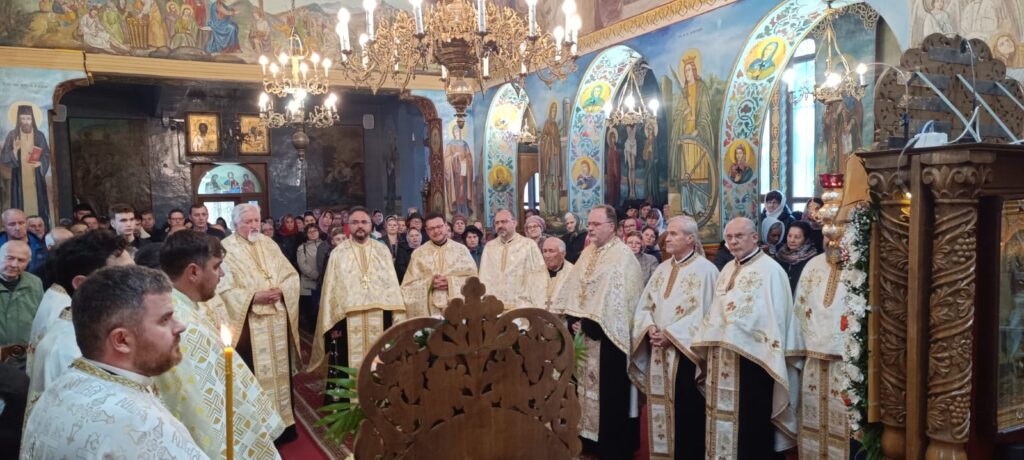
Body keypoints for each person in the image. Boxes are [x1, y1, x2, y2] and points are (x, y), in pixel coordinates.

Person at [21, 266, 208, 459]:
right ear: (122, 340)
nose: (180, 326)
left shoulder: (60, 387)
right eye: (165, 319)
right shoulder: (141, 425)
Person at [155, 231, 285, 459]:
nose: (222, 274)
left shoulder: (177, 306)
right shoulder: (182, 327)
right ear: (193, 272)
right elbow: (200, 410)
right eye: (216, 267)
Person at [692, 217, 798, 458]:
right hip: (722, 359)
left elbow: (775, 318)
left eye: (739, 236)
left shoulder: (771, 271)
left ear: (754, 237)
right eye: (729, 237)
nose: (733, 241)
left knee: (751, 426)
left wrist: (739, 334)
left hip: (754, 363)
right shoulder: (727, 269)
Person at [552, 204, 644, 459]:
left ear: (612, 227)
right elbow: (573, 291)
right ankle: (588, 440)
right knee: (584, 392)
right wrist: (574, 319)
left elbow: (621, 303)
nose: (590, 229)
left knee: (609, 396)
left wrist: (592, 325)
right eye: (589, 224)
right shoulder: (587, 253)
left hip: (610, 340)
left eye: (596, 224)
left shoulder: (623, 257)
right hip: (584, 336)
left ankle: (611, 446)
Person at [629, 216, 718, 460]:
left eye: (674, 234)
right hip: (658, 350)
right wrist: (649, 327)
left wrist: (672, 335)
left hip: (687, 356)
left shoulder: (707, 271)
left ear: (690, 239)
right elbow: (645, 305)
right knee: (662, 411)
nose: (667, 238)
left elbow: (707, 315)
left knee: (687, 414)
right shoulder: (662, 268)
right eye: (668, 233)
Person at [26, 230, 134, 419]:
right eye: (124, 275)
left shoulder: (97, 327)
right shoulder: (67, 349)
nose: (138, 283)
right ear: (82, 284)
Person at [218, 203, 301, 442]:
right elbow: (222, 289)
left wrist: (282, 290)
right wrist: (253, 297)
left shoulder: (269, 244)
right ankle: (261, 433)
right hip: (249, 325)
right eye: (248, 222)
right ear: (235, 224)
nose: (254, 225)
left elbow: (290, 275)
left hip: (277, 320)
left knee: (281, 374)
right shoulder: (225, 249)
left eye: (257, 220)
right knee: (254, 377)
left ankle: (286, 426)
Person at [307, 207, 405, 396]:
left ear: (371, 225)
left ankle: (382, 402)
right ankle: (347, 407)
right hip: (347, 321)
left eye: (364, 222)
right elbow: (331, 291)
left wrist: (395, 316)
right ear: (349, 225)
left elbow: (391, 284)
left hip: (380, 316)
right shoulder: (338, 253)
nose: (360, 226)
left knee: (381, 362)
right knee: (346, 363)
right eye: (355, 222)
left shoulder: (382, 250)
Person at [787, 234, 854, 458]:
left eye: (839, 233)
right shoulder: (812, 265)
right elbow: (800, 309)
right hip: (812, 363)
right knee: (811, 425)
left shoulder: (861, 263)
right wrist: (797, 348)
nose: (831, 240)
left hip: (847, 366)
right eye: (827, 234)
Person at [400, 213, 477, 318]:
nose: (436, 231)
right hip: (430, 313)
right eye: (431, 228)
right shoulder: (418, 254)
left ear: (445, 226)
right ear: (426, 231)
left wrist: (450, 282)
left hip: (457, 311)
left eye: (439, 226)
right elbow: (407, 288)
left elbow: (474, 281)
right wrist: (429, 283)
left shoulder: (461, 250)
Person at [478, 209, 548, 310]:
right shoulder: (489, 247)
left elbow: (539, 277)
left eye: (504, 222)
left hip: (520, 307)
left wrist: (537, 306)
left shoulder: (528, 245)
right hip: (493, 308)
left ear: (514, 222)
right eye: (497, 223)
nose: (500, 225)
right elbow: (483, 276)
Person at [2, 106, 51, 224]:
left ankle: (39, 225)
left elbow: (46, 153)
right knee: (20, 203)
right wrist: (14, 150)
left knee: (39, 204)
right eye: (22, 118)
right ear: (18, 120)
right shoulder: (12, 135)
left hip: (36, 178)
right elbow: (4, 157)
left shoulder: (39, 135)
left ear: (32, 119)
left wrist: (40, 163)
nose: (26, 121)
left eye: (28, 118)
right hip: (19, 178)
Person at [0, 241, 43, 363]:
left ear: (28, 262)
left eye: (21, 260)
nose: (14, 264)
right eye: (9, 258)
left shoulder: (34, 283)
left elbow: (41, 319)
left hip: (26, 358)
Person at [297, 224, 329, 332]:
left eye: (315, 230)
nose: (313, 233)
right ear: (306, 234)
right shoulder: (302, 248)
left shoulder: (325, 245)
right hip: (310, 282)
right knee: (312, 309)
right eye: (310, 232)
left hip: (324, 281)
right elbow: (302, 266)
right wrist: (316, 275)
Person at [775, 220, 818, 293]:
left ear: (806, 239)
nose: (792, 240)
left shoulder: (812, 260)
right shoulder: (780, 255)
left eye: (797, 237)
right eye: (789, 236)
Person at [0, 209, 46, 274]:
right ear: (4, 227)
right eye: (12, 224)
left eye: (21, 223)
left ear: (26, 224)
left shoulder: (42, 246)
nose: (17, 228)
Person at [541, 237, 573, 310]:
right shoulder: (534, 274)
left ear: (563, 254)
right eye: (545, 251)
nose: (547, 255)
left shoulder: (573, 273)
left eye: (551, 251)